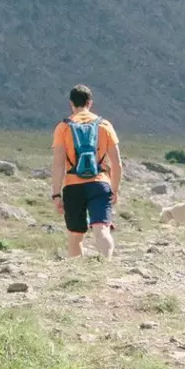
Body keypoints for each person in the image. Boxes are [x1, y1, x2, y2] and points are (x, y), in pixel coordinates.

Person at [50, 84, 121, 258]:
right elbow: (117, 163)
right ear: (90, 103)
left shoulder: (63, 127)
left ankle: (78, 273)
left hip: (73, 186)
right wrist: (115, 189)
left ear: (71, 104)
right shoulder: (104, 125)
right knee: (102, 229)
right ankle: (107, 267)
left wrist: (56, 195)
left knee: (75, 235)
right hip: (99, 183)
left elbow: (58, 165)